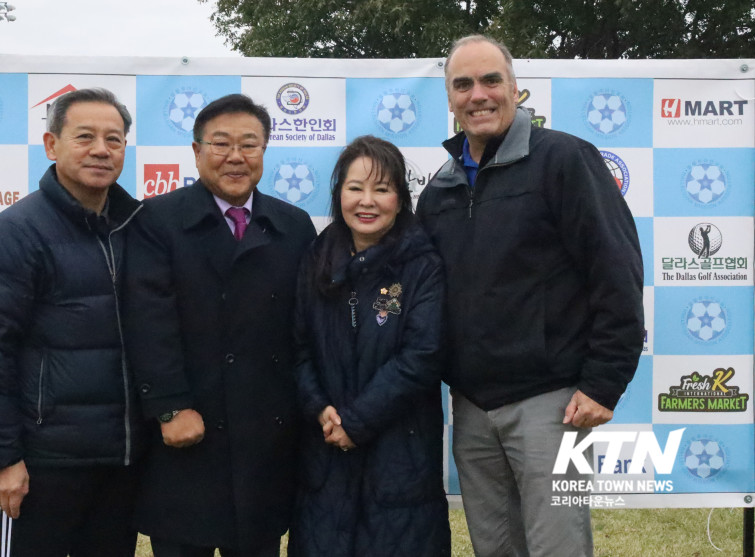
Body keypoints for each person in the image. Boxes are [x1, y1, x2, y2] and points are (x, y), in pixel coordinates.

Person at [416, 35, 644, 556]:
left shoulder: (565, 160)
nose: (479, 94)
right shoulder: (440, 191)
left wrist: (604, 384)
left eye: (491, 80)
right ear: (449, 99)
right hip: (472, 410)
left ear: (515, 90)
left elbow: (617, 272)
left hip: (553, 406)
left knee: (557, 549)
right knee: (495, 550)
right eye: (463, 84)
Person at [123, 93, 317, 557]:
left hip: (264, 436)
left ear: (264, 152)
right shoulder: (157, 220)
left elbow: (307, 328)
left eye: (249, 145)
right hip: (188, 431)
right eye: (221, 144)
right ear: (196, 151)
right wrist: (170, 408)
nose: (236, 157)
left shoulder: (293, 226)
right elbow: (147, 320)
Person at [0, 87, 146, 557]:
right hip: (44, 466)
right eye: (85, 136)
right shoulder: (16, 232)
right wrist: (2, 459)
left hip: (118, 463)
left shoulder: (138, 228)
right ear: (51, 145)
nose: (101, 149)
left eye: (114, 139)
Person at [289, 135, 451, 557]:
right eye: (355, 187)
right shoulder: (316, 257)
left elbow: (422, 356)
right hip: (324, 451)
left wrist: (356, 423)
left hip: (401, 450)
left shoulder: (422, 264)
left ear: (400, 199)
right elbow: (298, 346)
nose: (367, 201)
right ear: (339, 193)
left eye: (382, 189)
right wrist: (319, 407)